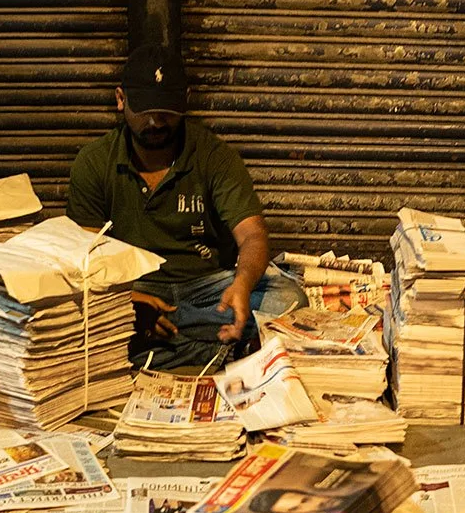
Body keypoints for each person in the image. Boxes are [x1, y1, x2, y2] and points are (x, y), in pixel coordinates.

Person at [65, 42, 305, 369]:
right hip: (134, 290)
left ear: (185, 100)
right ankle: (215, 350)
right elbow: (83, 258)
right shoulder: (94, 162)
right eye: (145, 109)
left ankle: (159, 351)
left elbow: (253, 235)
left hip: (206, 290)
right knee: (75, 323)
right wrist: (130, 301)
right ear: (121, 99)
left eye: (166, 110)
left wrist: (242, 284)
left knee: (289, 299)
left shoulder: (213, 156)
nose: (156, 121)